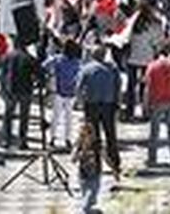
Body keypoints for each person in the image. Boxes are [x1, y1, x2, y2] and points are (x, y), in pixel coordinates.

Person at [77, 45, 121, 175]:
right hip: (109, 105)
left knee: (93, 136)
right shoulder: (113, 69)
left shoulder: (87, 69)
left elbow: (79, 87)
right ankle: (115, 162)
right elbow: (118, 86)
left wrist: (80, 102)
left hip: (92, 105)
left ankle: (95, 163)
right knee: (111, 134)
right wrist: (117, 102)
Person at [142, 46, 170, 166]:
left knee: (154, 131)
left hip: (157, 101)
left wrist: (145, 104)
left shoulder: (152, 66)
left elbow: (148, 88)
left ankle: (152, 158)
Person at [44, 38, 82, 150]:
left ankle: (52, 138)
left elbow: (44, 66)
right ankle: (68, 139)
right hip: (71, 92)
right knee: (69, 118)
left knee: (55, 116)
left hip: (58, 91)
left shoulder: (57, 59)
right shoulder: (77, 62)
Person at [74, 118, 103, 214]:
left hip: (96, 175)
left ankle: (93, 211)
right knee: (87, 200)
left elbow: (105, 156)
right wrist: (83, 151)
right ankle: (94, 211)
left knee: (91, 199)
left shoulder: (97, 144)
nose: (87, 138)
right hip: (83, 176)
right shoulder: (79, 145)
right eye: (82, 135)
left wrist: (114, 170)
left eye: (89, 134)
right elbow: (73, 159)